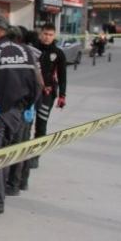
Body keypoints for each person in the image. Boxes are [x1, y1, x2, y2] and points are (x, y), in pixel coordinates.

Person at [0, 17, 39, 214]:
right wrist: (30, 104)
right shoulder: (25, 50)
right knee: (4, 152)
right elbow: (36, 82)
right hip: (18, 111)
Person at [5, 26, 44, 195]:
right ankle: (22, 181)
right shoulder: (30, 53)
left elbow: (39, 83)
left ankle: (14, 183)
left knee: (17, 145)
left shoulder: (24, 54)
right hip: (28, 104)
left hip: (24, 106)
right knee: (23, 143)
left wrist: (29, 105)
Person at [31, 22, 67, 169]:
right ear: (41, 34)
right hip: (30, 92)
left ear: (54, 36)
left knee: (41, 125)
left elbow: (62, 76)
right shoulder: (32, 48)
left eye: (50, 35)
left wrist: (62, 95)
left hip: (48, 93)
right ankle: (21, 155)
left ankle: (35, 156)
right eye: (45, 34)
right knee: (25, 125)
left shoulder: (58, 53)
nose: (47, 37)